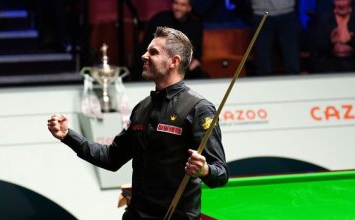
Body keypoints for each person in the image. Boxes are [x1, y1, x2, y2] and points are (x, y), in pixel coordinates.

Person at [47, 27, 228, 220]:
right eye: (146, 51)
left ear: (174, 62)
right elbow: (111, 157)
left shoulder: (199, 108)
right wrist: (68, 135)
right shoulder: (142, 108)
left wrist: (205, 170)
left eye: (153, 52)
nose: (144, 56)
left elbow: (221, 174)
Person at [133, 0, 208, 80]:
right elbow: (145, 48)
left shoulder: (195, 25)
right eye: (176, 3)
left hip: (182, 67)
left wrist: (192, 61)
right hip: (157, 63)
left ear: (189, 8)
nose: (178, 8)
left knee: (202, 75)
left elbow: (197, 54)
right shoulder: (159, 19)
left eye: (182, 5)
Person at [250, 0, 300, 76]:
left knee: (292, 61)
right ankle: (263, 86)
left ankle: (295, 85)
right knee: (262, 62)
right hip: (261, 12)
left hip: (287, 11)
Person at [308, 0, 355, 73]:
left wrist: (352, 40)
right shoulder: (323, 15)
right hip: (329, 64)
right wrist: (330, 41)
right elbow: (316, 47)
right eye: (338, 0)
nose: (341, 4)